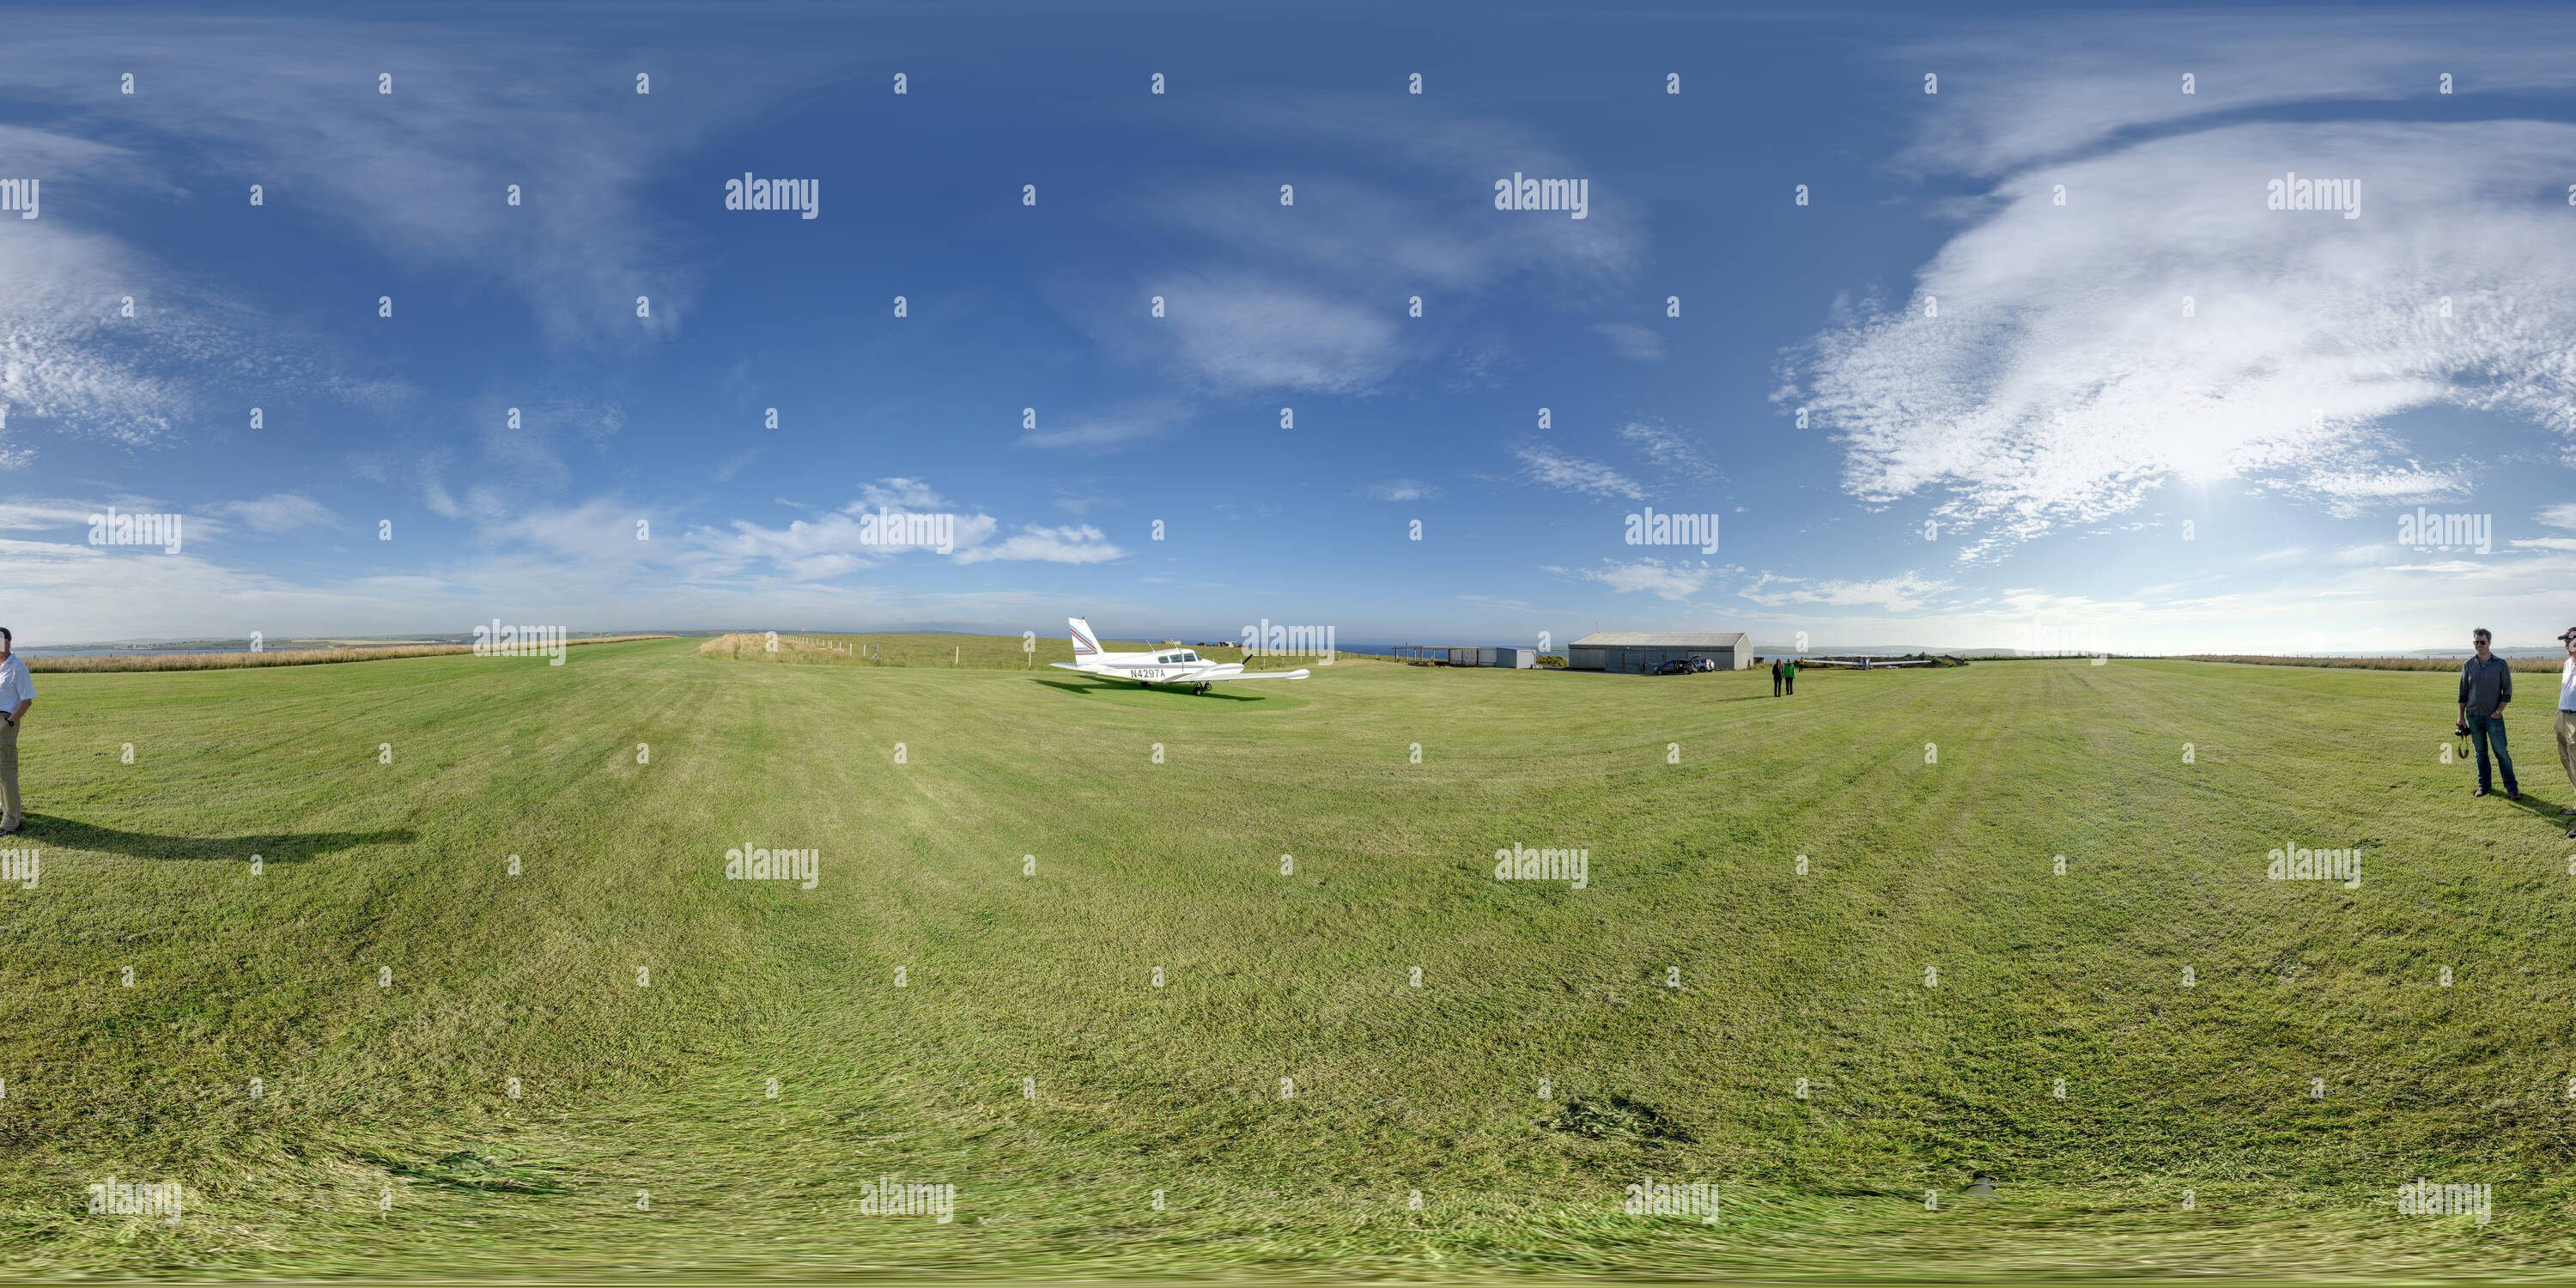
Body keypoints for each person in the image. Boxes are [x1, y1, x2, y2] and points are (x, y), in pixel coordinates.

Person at [2457, 628, 2516, 799]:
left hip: (2493, 717)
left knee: (2501, 753)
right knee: (2480, 753)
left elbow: (2508, 691)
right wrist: (2461, 717)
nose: (2479, 645)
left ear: (2489, 642)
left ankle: (2512, 789)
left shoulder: (2500, 664)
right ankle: (2484, 786)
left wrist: (2498, 712)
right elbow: (2463, 693)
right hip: (2473, 717)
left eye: (2482, 642)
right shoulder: (2468, 665)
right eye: (2476, 642)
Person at [0, 628, 33, 835]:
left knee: (6, 771)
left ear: (8, 642)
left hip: (5, 722)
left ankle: (11, 821)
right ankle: (3, 808)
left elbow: (26, 700)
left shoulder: (17, 668)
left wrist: (9, 723)